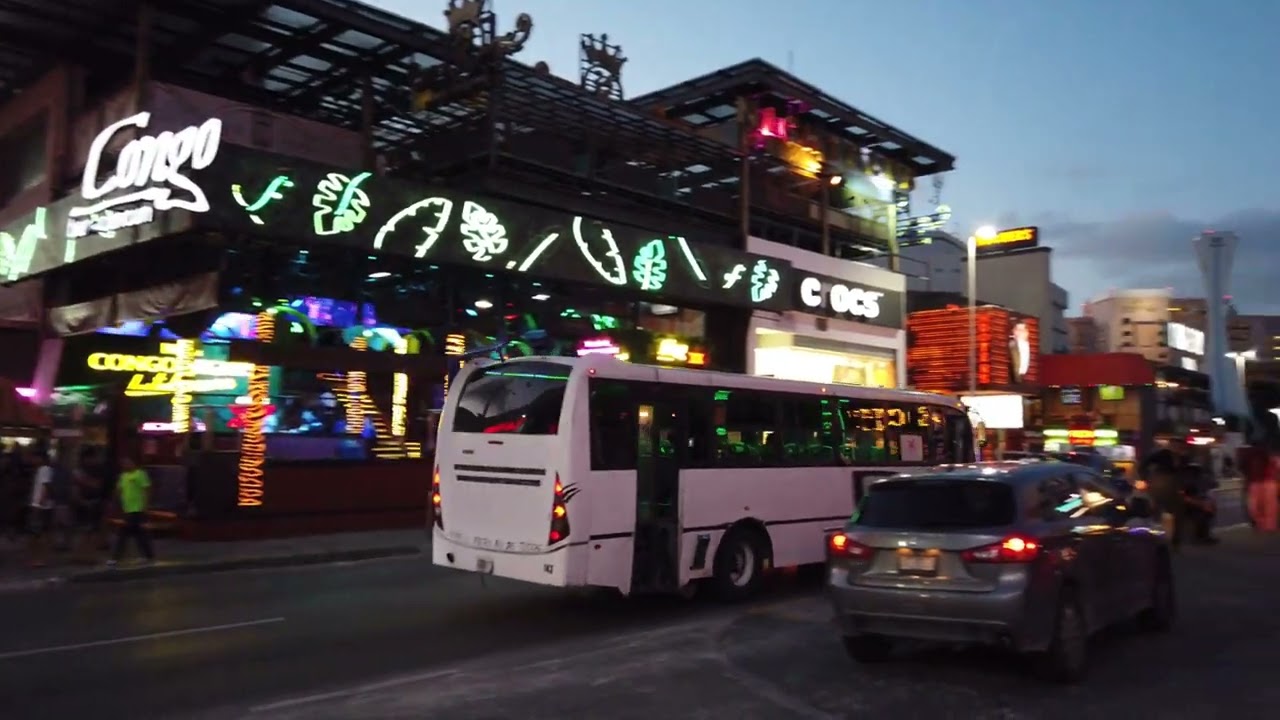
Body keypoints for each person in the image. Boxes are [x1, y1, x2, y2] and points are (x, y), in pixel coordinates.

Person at [108, 454, 154, 566]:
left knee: (123, 533)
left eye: (128, 462)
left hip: (138, 509)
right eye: (123, 463)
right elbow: (119, 491)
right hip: (127, 509)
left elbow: (147, 490)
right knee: (140, 534)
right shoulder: (123, 476)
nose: (126, 465)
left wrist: (145, 506)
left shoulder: (140, 474)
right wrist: (115, 503)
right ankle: (147, 555)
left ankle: (116, 557)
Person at [1141, 442, 1186, 549]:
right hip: (1162, 484)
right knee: (1156, 512)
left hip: (1172, 486)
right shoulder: (1163, 455)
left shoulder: (1182, 457)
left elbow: (1183, 473)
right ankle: (1154, 539)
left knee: (1176, 514)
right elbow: (1145, 464)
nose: (1178, 448)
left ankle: (1175, 541)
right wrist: (1146, 478)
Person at [25, 451, 55, 567]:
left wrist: (40, 503)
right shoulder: (42, 470)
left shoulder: (44, 470)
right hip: (39, 505)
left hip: (40, 506)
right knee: (37, 533)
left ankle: (40, 559)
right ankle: (38, 558)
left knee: (38, 533)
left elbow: (45, 486)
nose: (32, 460)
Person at [1242, 440, 1278, 532]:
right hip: (1262, 482)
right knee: (1263, 506)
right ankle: (1265, 525)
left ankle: (1265, 525)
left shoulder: (1267, 457)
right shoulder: (1256, 457)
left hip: (1264, 482)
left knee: (1261, 506)